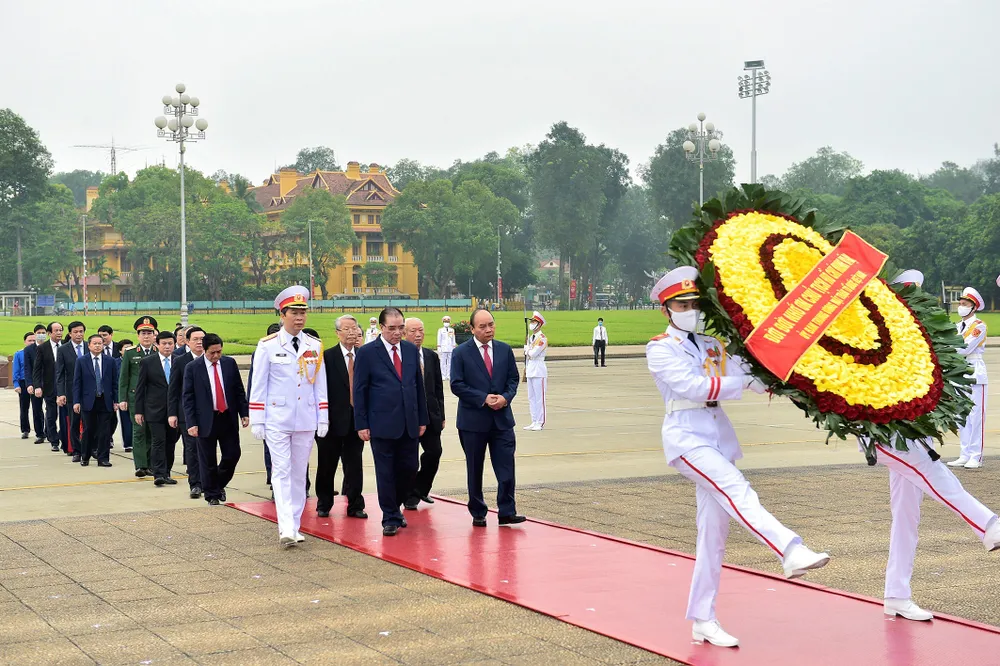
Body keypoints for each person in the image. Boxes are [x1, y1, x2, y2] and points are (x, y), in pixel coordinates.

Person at [646, 266, 830, 648]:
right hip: (687, 438)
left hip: (717, 437)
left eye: (695, 303)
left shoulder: (713, 345)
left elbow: (750, 375)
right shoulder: (661, 347)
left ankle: (702, 618)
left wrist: (787, 374)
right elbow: (692, 387)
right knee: (737, 490)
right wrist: (741, 382)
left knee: (713, 535)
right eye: (682, 304)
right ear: (666, 309)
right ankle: (790, 550)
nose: (691, 309)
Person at [858, 271, 1000, 622]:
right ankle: (989, 526)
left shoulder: (907, 336)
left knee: (907, 518)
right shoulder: (871, 337)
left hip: (909, 431)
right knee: (937, 475)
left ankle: (896, 594)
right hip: (884, 434)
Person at [249, 287, 329, 545]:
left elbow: (319, 384)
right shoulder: (268, 346)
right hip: (277, 418)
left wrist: (323, 417)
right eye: (294, 313)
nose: (299, 318)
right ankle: (285, 527)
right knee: (281, 471)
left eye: (302, 313)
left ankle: (294, 525)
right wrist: (257, 418)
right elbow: (258, 384)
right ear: (282, 315)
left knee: (298, 474)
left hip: (305, 418)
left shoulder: (314, 345)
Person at [353, 307, 428, 536]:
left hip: (409, 422)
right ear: (382, 328)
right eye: (392, 328)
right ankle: (390, 517)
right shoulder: (367, 353)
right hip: (381, 423)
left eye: (400, 328)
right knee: (385, 472)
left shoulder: (410, 350)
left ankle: (395, 506)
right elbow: (360, 390)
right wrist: (361, 423)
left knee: (409, 470)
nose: (397, 333)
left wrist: (422, 418)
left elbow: (417, 386)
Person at [450, 308, 525, 527]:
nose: (488, 329)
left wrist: (505, 397)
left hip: (501, 419)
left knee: (506, 468)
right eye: (482, 326)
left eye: (491, 324)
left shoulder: (504, 350)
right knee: (475, 467)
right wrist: (483, 398)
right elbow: (457, 384)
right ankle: (478, 511)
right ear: (472, 329)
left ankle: (507, 510)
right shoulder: (461, 353)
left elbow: (513, 378)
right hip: (473, 421)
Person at [183, 333, 249, 506]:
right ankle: (212, 494)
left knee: (233, 454)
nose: (216, 356)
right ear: (204, 350)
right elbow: (187, 398)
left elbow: (238, 390)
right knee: (208, 460)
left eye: (219, 352)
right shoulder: (193, 367)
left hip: (227, 417)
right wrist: (191, 423)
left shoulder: (229, 363)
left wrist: (244, 413)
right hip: (205, 419)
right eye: (212, 353)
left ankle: (217, 484)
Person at [315, 315, 367, 519]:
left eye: (354, 328)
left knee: (354, 465)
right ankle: (324, 503)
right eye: (346, 329)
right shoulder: (327, 357)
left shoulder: (364, 355)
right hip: (331, 421)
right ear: (337, 333)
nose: (351, 332)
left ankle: (355, 505)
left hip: (356, 421)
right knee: (327, 465)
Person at [404, 318, 446, 510]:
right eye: (413, 331)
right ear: (404, 333)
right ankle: (408, 494)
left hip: (431, 414)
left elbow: (438, 387)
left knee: (434, 452)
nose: (418, 334)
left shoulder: (430, 356)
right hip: (409, 416)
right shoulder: (400, 356)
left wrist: (441, 414)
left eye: (421, 330)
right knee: (410, 459)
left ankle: (420, 488)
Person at [949, 286, 988, 469]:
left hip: (974, 372)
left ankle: (976, 455)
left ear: (973, 307)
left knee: (975, 416)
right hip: (959, 372)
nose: (961, 306)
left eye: (964, 304)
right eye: (960, 303)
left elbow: (964, 349)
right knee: (961, 415)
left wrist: (947, 347)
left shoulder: (978, 326)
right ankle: (964, 453)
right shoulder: (957, 326)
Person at [135, 331, 180, 487]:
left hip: (174, 410)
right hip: (154, 410)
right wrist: (138, 411)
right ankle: (158, 474)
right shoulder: (147, 362)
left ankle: (167, 472)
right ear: (157, 345)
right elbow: (140, 388)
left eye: (170, 343)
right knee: (158, 441)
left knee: (171, 442)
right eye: (164, 344)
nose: (167, 346)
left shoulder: (179, 361)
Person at [168, 326, 205, 499]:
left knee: (207, 449)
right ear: (187, 342)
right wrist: (172, 413)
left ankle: (209, 481)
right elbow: (173, 390)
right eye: (195, 339)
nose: (199, 342)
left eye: (202, 339)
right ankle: (195, 484)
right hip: (187, 413)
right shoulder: (180, 360)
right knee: (191, 449)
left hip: (208, 413)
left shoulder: (212, 358)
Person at [119, 316, 158, 475]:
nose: (146, 336)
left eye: (149, 332)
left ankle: (151, 464)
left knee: (152, 431)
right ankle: (141, 465)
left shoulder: (158, 351)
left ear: (155, 334)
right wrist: (122, 399)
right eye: (143, 333)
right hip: (136, 399)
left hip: (155, 399)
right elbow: (124, 378)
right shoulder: (130, 353)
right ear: (138, 335)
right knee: (139, 431)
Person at [73, 334, 118, 468]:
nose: (98, 346)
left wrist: (116, 400)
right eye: (95, 343)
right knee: (88, 429)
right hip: (88, 400)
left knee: (105, 431)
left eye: (100, 343)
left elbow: (115, 383)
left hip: (105, 400)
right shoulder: (81, 361)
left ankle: (103, 458)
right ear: (89, 345)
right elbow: (77, 383)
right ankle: (85, 456)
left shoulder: (110, 361)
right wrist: (76, 401)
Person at [56, 321, 87, 461]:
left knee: (90, 422)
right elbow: (60, 373)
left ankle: (90, 448)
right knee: (74, 422)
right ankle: (76, 450)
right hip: (71, 391)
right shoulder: (63, 349)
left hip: (89, 391)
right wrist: (61, 393)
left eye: (81, 331)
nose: (79, 334)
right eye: (75, 332)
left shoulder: (90, 346)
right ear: (70, 334)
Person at [33, 321, 64, 452]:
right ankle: (54, 441)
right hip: (49, 387)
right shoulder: (42, 348)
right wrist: (37, 386)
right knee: (51, 415)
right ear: (49, 333)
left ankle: (64, 437)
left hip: (64, 387)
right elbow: (37, 369)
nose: (59, 333)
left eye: (61, 330)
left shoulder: (67, 346)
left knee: (65, 415)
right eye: (56, 330)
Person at [523, 311, 548, 431]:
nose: (532, 324)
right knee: (531, 397)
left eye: (534, 322)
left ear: (539, 324)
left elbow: (533, 354)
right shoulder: (531, 338)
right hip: (530, 368)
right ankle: (534, 420)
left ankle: (540, 421)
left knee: (540, 397)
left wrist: (527, 350)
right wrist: (528, 350)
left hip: (538, 369)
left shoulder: (542, 339)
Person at [24, 324, 47, 444]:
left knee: (51, 409)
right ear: (35, 334)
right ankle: (39, 434)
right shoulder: (29, 350)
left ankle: (49, 431)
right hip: (35, 383)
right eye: (39, 332)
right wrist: (29, 384)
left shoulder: (51, 347)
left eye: (43, 332)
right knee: (37, 409)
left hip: (49, 383)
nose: (41, 334)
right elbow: (27, 368)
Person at [114, 339, 133, 451]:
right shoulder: (116, 362)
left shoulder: (136, 360)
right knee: (125, 420)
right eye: (125, 348)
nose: (128, 350)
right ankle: (128, 443)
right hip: (122, 395)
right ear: (120, 351)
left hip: (134, 394)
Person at [13, 333, 33, 439]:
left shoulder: (39, 351)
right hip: (23, 382)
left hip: (36, 382)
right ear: (25, 342)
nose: (32, 343)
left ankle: (43, 430)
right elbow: (16, 370)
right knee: (24, 407)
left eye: (34, 341)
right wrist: (16, 384)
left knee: (39, 408)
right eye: (29, 341)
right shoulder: (19, 354)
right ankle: (25, 429)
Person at [436, 315, 456, 381]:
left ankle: (449, 375)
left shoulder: (451, 330)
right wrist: (439, 347)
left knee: (450, 362)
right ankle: (443, 375)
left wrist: (454, 346)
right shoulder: (440, 330)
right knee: (443, 362)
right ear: (443, 322)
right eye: (445, 321)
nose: (446, 322)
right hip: (443, 348)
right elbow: (439, 339)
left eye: (447, 321)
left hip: (450, 348)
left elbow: (453, 339)